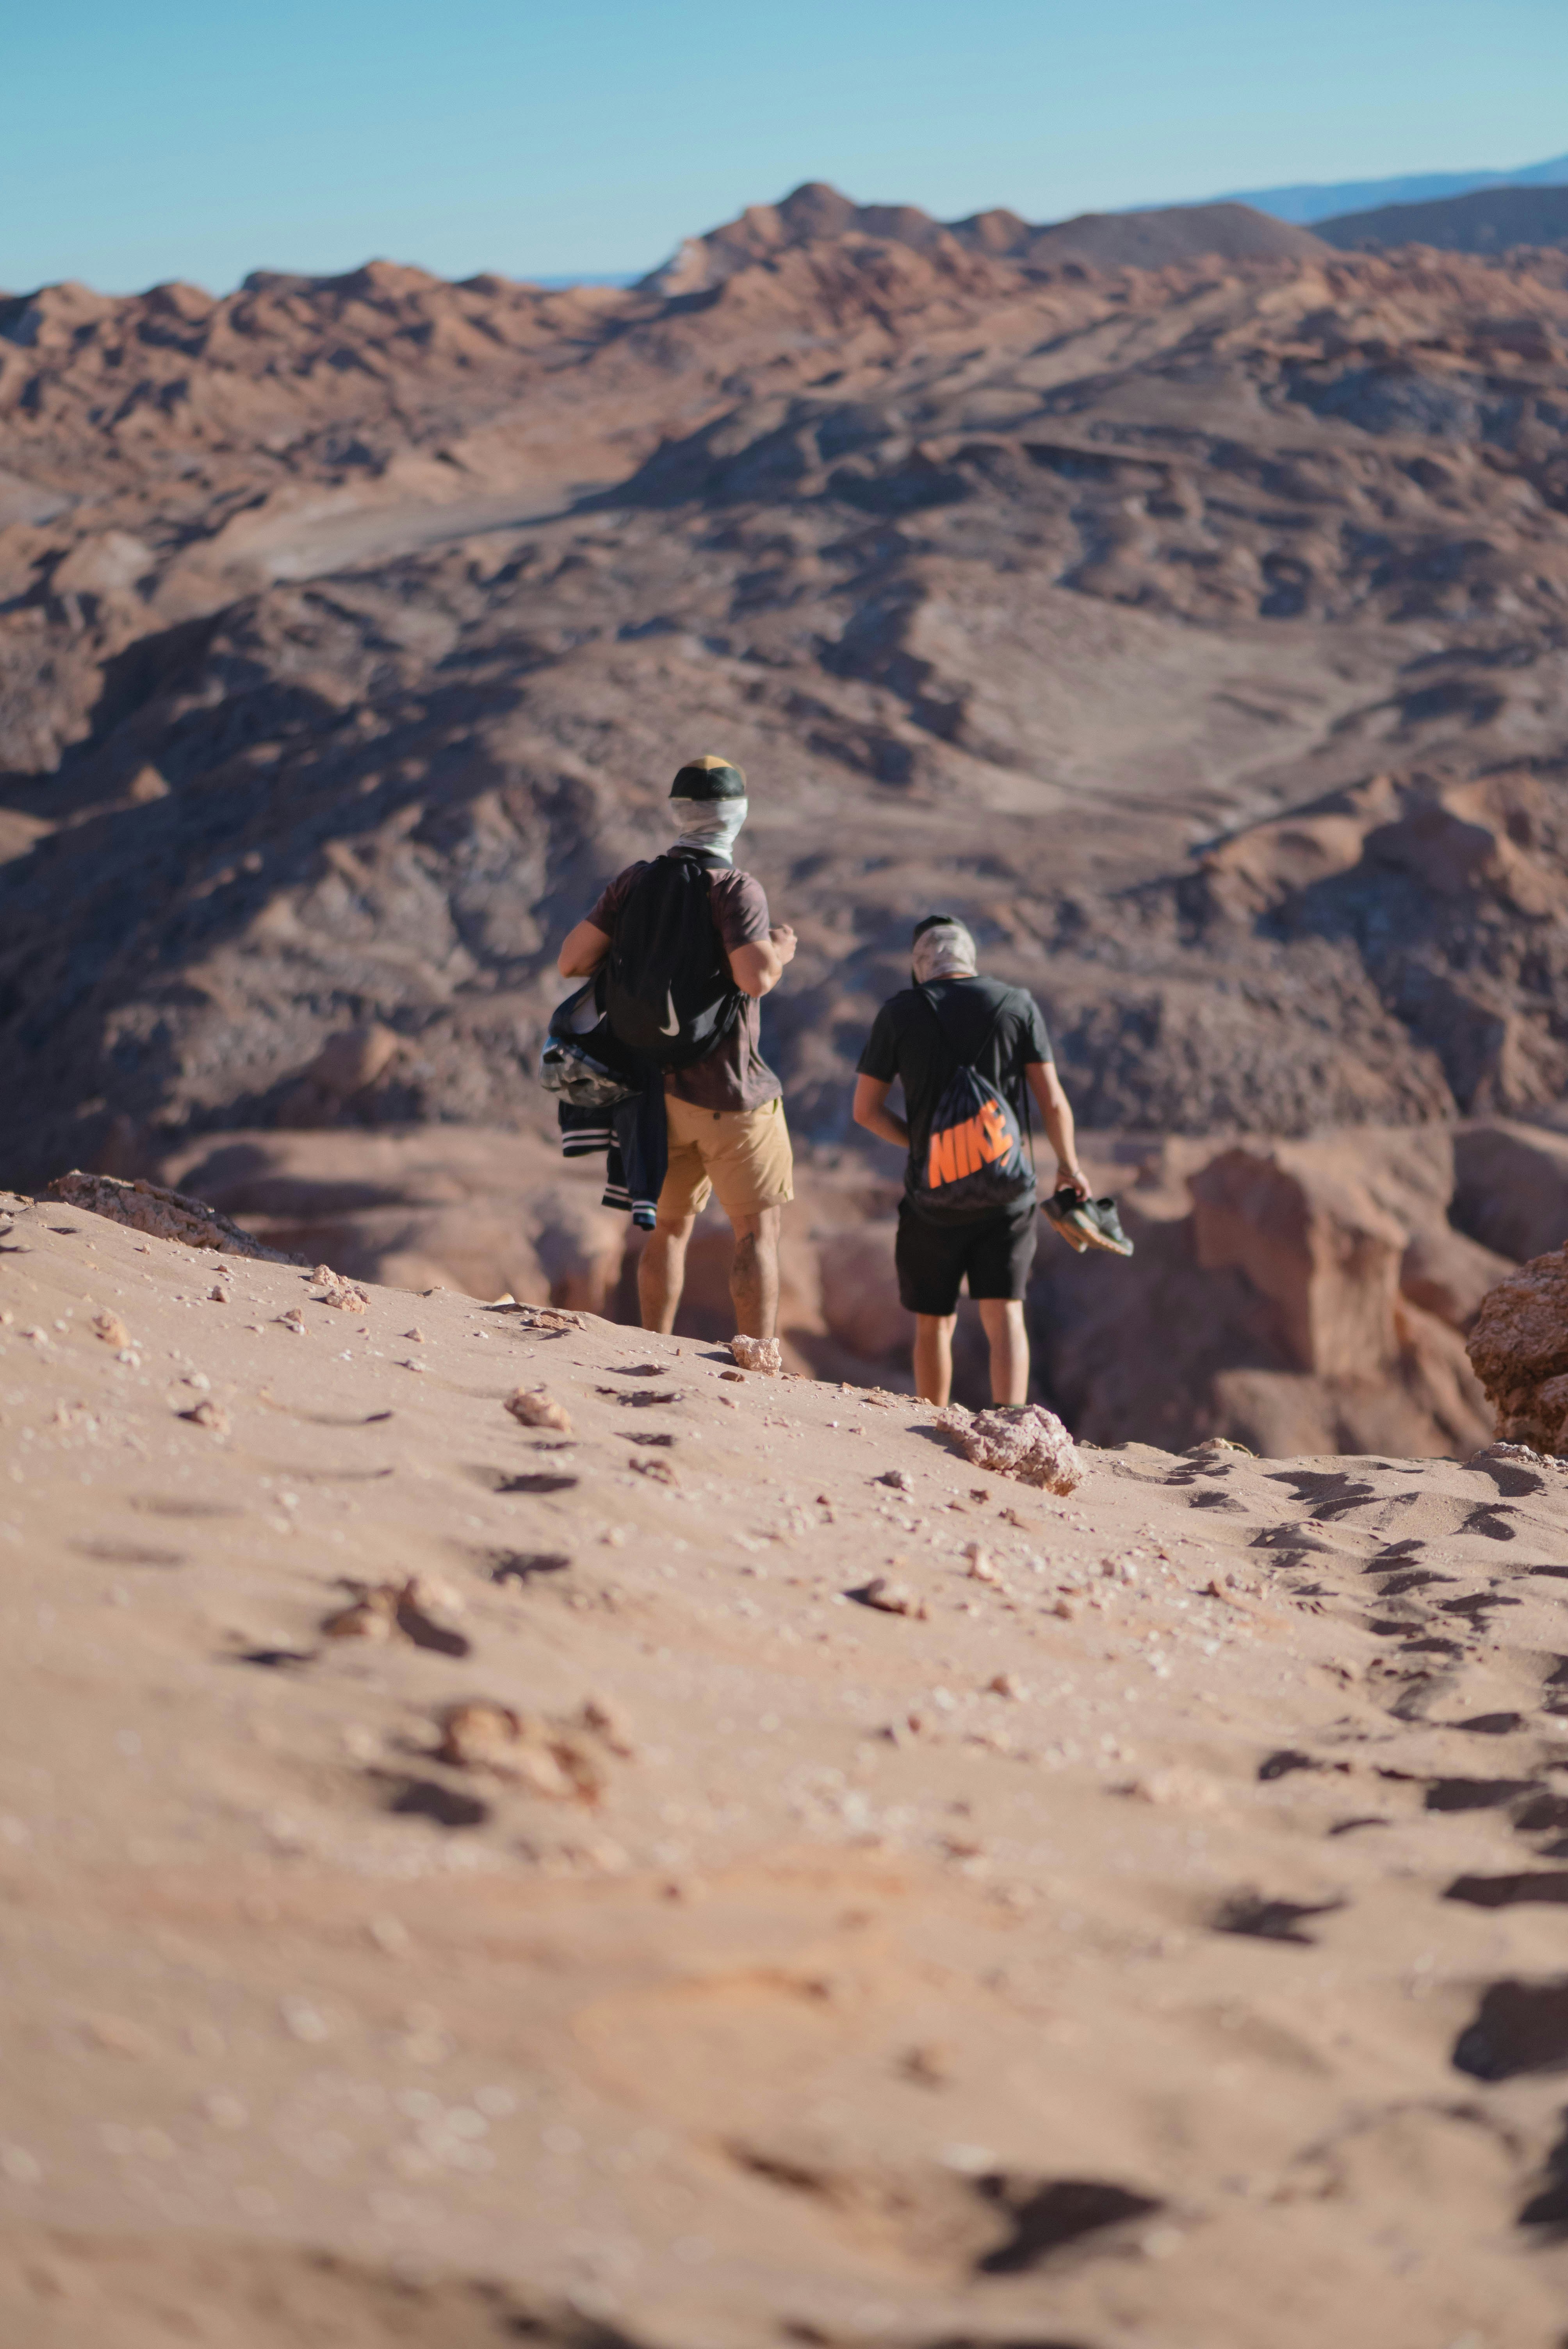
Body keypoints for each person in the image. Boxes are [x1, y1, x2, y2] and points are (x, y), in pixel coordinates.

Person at [557, 756, 797, 1339]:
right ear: (737, 816)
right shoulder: (736, 889)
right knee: (756, 1234)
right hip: (730, 1095)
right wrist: (783, 947)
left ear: (679, 814)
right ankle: (757, 1360)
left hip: (653, 1097)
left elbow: (570, 962)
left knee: (667, 1231)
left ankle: (653, 1346)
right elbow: (755, 978)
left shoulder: (635, 881)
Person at [852, 914, 1087, 1407]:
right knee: (1005, 1316)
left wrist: (923, 1146)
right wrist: (1069, 1165)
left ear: (920, 966)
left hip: (931, 1196)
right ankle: (1011, 1425)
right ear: (969, 957)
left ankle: (932, 1424)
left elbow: (865, 1112)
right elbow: (1053, 1102)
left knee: (934, 1323)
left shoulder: (899, 1012)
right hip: (1006, 1193)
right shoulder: (1016, 1004)